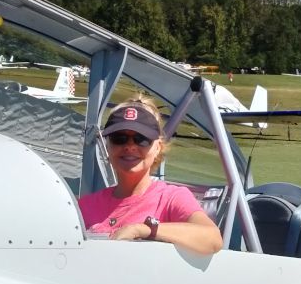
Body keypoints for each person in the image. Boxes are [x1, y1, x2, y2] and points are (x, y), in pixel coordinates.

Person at [79, 96, 223, 255]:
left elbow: (212, 238)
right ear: (108, 146)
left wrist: (142, 230)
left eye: (141, 139)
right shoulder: (84, 206)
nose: (130, 147)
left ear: (158, 148)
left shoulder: (171, 198)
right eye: (119, 138)